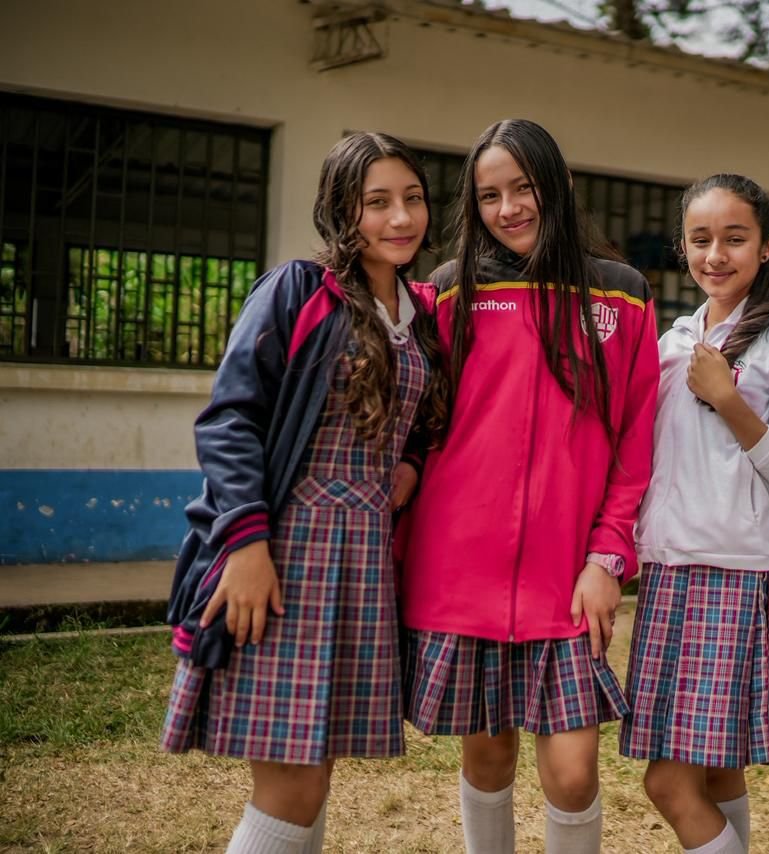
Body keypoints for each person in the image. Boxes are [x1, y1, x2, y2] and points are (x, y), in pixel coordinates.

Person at [160, 131, 448, 854]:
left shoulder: (421, 316)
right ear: (341, 212)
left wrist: (407, 470)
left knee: (314, 771)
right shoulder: (299, 290)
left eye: (411, 198)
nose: (400, 217)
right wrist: (247, 545)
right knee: (291, 783)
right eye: (376, 202)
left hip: (363, 563)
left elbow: (422, 422)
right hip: (288, 556)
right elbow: (231, 419)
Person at [397, 118, 660, 854]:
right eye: (489, 195)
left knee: (573, 774)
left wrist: (608, 558)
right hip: (460, 575)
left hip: (566, 578)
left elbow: (635, 442)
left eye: (524, 188)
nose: (508, 207)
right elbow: (418, 422)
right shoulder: (444, 296)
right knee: (486, 755)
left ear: (561, 186)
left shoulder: (625, 297)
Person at [621, 173, 769, 854]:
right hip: (668, 574)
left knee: (667, 783)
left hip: (731, 578)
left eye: (734, 238)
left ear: (766, 247)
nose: (716, 254)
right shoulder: (671, 342)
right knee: (716, 767)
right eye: (700, 239)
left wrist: (733, 402)